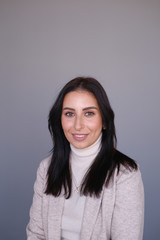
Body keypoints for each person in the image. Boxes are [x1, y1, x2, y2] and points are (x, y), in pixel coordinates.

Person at [26, 77, 144, 240]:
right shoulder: (46, 169)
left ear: (104, 121)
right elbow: (36, 234)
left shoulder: (124, 174)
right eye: (69, 114)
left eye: (88, 113)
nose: (78, 125)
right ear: (60, 120)